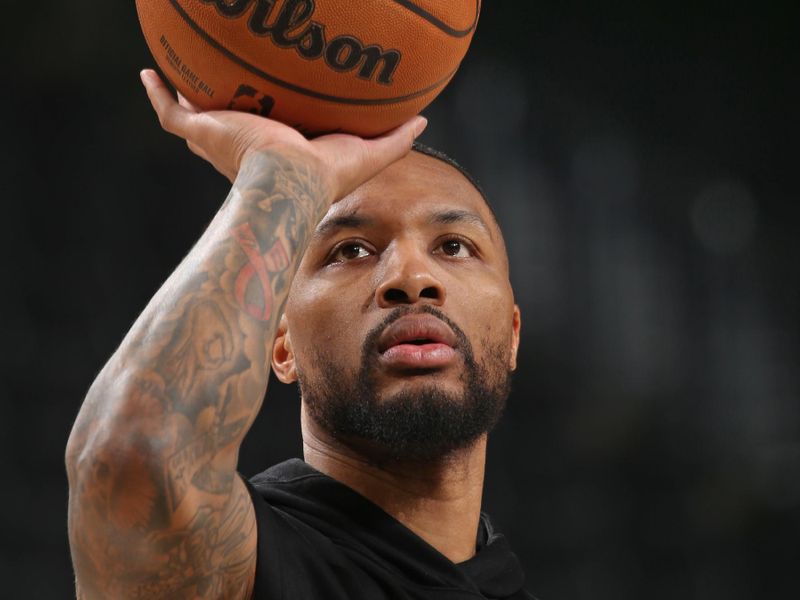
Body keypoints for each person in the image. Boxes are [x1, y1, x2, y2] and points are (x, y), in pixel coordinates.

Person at [65, 69, 533, 600]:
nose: (411, 278)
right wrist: (284, 174)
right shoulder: (238, 566)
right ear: (280, 345)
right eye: (351, 250)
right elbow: (134, 461)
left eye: (453, 246)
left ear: (513, 334)